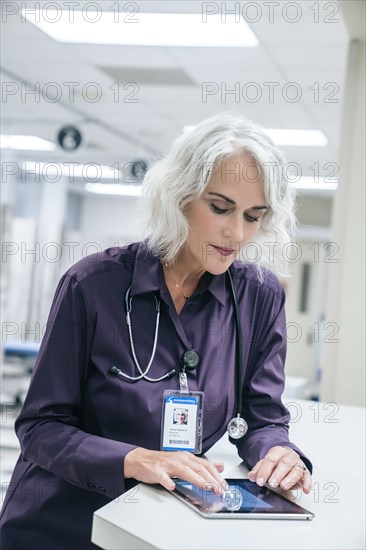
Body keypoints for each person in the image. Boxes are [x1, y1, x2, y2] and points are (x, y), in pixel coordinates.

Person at [0, 112, 313, 549]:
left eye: (254, 216)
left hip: (161, 527)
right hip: (61, 522)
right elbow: (40, 427)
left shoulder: (259, 297)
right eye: (220, 208)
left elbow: (262, 418)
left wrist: (279, 453)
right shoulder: (93, 285)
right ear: (179, 195)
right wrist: (130, 458)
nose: (236, 232)